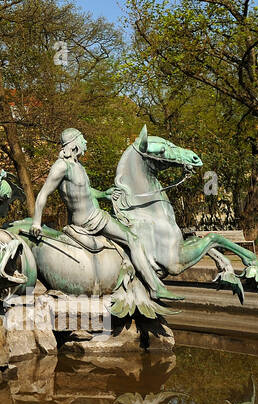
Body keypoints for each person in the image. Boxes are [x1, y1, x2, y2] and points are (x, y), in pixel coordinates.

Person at [29, 127, 177, 300]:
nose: (86, 142)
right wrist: (36, 222)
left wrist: (104, 194)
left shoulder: (77, 166)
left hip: (93, 215)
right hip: (90, 219)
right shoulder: (62, 166)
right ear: (74, 143)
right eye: (82, 139)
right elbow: (43, 193)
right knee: (133, 239)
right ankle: (154, 287)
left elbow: (85, 191)